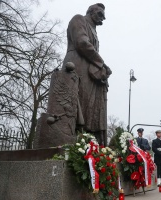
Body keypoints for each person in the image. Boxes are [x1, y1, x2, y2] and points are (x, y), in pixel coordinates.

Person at [61, 3, 112, 146]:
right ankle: (75, 139)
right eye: (100, 14)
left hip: (89, 72)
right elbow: (82, 43)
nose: (103, 18)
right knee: (78, 103)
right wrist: (101, 63)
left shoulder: (94, 31)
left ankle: (87, 141)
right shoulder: (78, 19)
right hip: (77, 65)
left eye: (104, 15)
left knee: (90, 107)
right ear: (91, 12)